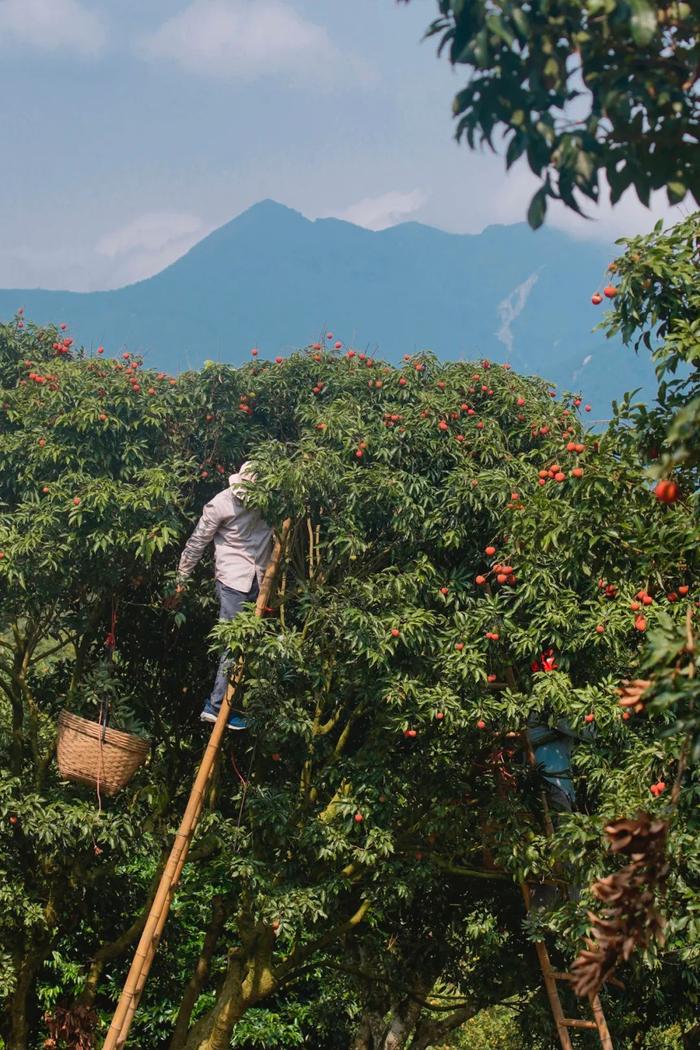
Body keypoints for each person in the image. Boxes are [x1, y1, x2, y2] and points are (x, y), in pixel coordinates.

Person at [171, 461, 273, 730]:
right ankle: (216, 706)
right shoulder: (220, 504)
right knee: (232, 642)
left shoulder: (270, 501)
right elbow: (197, 542)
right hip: (233, 579)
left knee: (252, 644)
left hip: (261, 578)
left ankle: (231, 705)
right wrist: (181, 579)